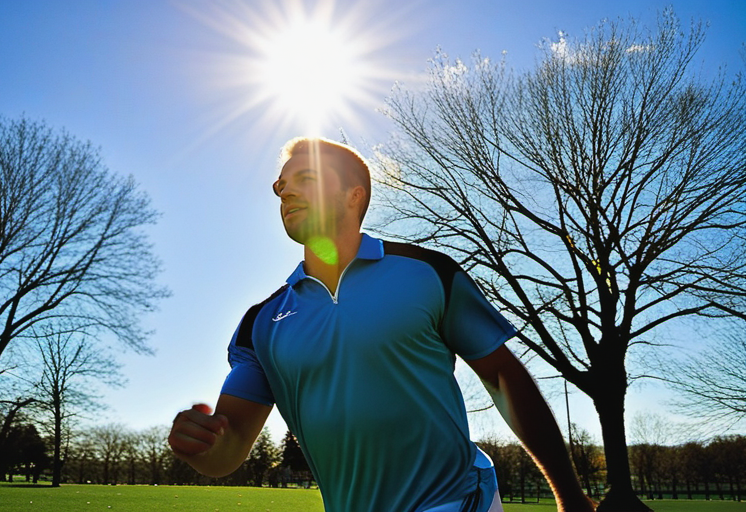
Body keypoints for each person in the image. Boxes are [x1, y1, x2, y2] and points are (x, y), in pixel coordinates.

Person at [168, 137, 595, 512]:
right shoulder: (261, 322)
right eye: (281, 185)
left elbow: (504, 379)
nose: (286, 192)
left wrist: (570, 497)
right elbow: (230, 448)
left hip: (457, 498)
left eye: (306, 179)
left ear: (354, 196)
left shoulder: (429, 273)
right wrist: (203, 444)